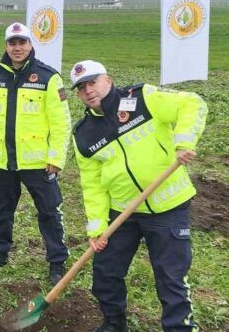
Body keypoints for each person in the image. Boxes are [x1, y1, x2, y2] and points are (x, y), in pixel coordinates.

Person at [69, 60, 207, 332]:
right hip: (123, 213)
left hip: (168, 206)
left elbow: (192, 103)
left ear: (107, 79)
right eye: (81, 88)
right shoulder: (83, 133)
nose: (88, 91)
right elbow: (92, 184)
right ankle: (113, 324)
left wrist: (184, 142)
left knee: (170, 277)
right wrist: (97, 226)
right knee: (105, 274)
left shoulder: (143, 98)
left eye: (92, 82)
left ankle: (179, 328)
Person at [0, 22, 71, 285]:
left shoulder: (49, 78)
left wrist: (56, 158)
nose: (17, 48)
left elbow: (61, 122)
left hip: (38, 162)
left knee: (49, 211)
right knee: (1, 210)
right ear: (6, 46)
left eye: (22, 43)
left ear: (30, 45)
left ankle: (57, 261)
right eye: (12, 43)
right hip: (3, 160)